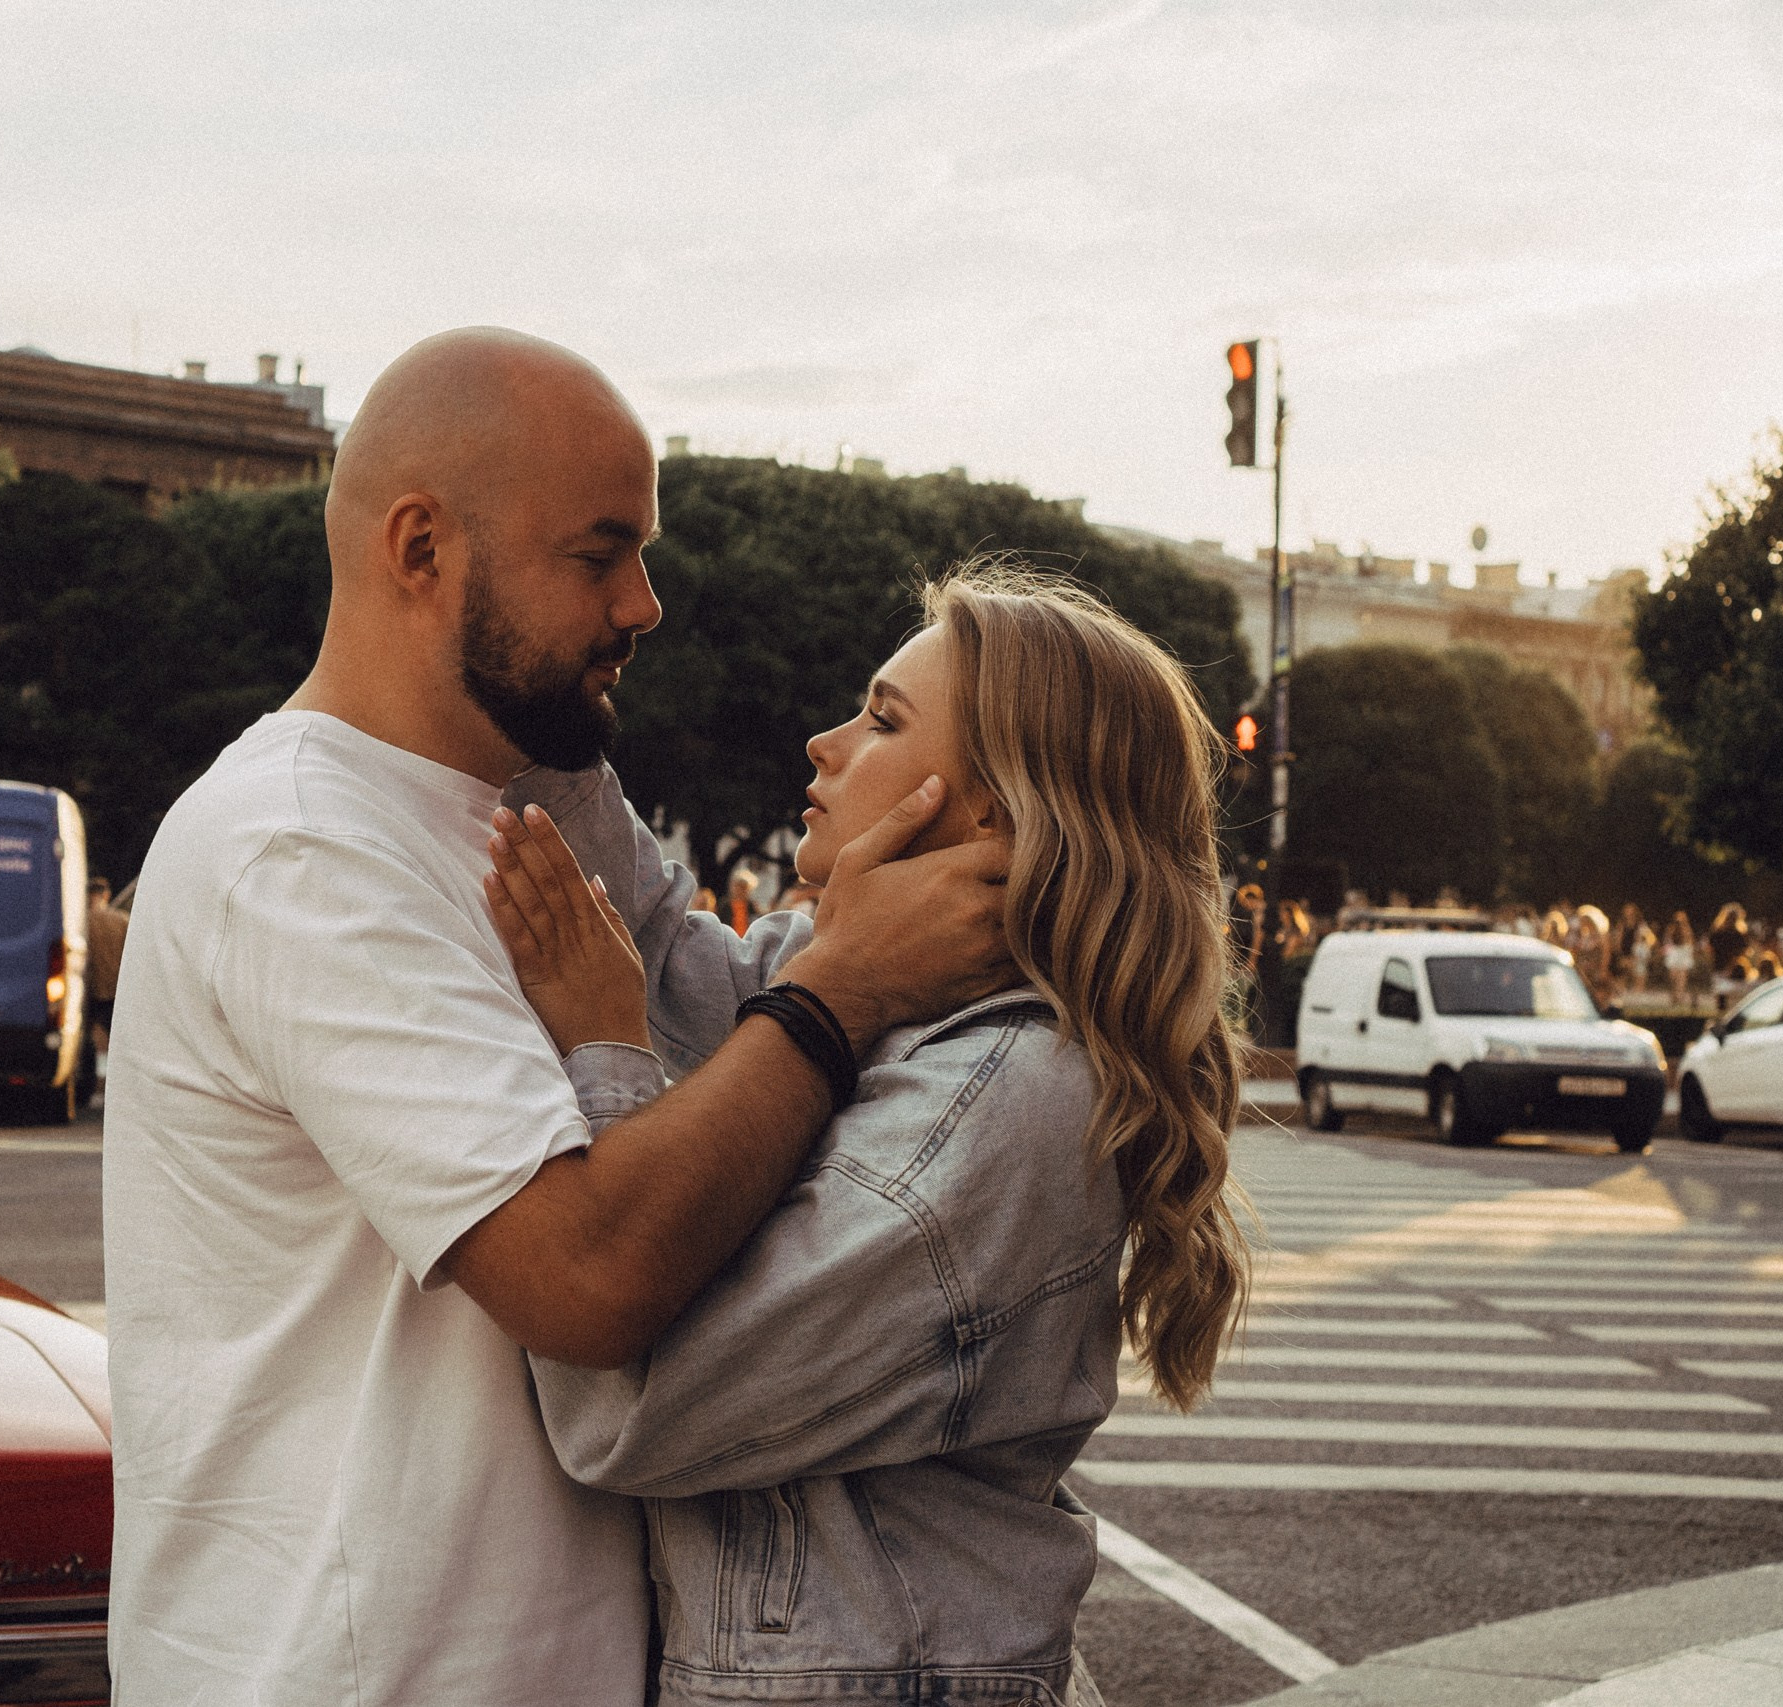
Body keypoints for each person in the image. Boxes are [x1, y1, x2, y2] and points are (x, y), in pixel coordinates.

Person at [101, 328, 1013, 1707]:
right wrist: (850, 986)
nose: (644, 603)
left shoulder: (543, 783)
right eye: (599, 555)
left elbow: (710, 1008)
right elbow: (585, 1277)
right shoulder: (296, 846)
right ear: (423, 550)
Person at [486, 565, 1247, 1705]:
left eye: (881, 720)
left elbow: (631, 1407)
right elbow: (658, 946)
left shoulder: (1002, 1099)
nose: (822, 742)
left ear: (991, 810)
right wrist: (540, 665)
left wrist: (602, 1044)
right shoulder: (891, 993)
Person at [82, 875, 126, 1063]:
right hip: (116, 991)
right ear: (106, 895)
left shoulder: (81, 922)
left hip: (89, 990)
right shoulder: (122, 920)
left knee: (84, 1041)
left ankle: (88, 1079)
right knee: (119, 1041)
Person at [1662, 909, 1697, 1002]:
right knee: (1672, 976)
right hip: (1673, 952)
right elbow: (1667, 941)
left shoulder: (1687, 928)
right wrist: (1666, 952)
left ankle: (1680, 996)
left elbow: (1690, 942)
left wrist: (1691, 954)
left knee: (1682, 977)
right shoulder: (1671, 928)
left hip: (1684, 952)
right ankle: (1673, 994)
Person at [725, 866, 760, 935]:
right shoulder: (725, 905)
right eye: (738, 886)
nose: (740, 890)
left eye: (744, 887)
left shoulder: (752, 906)